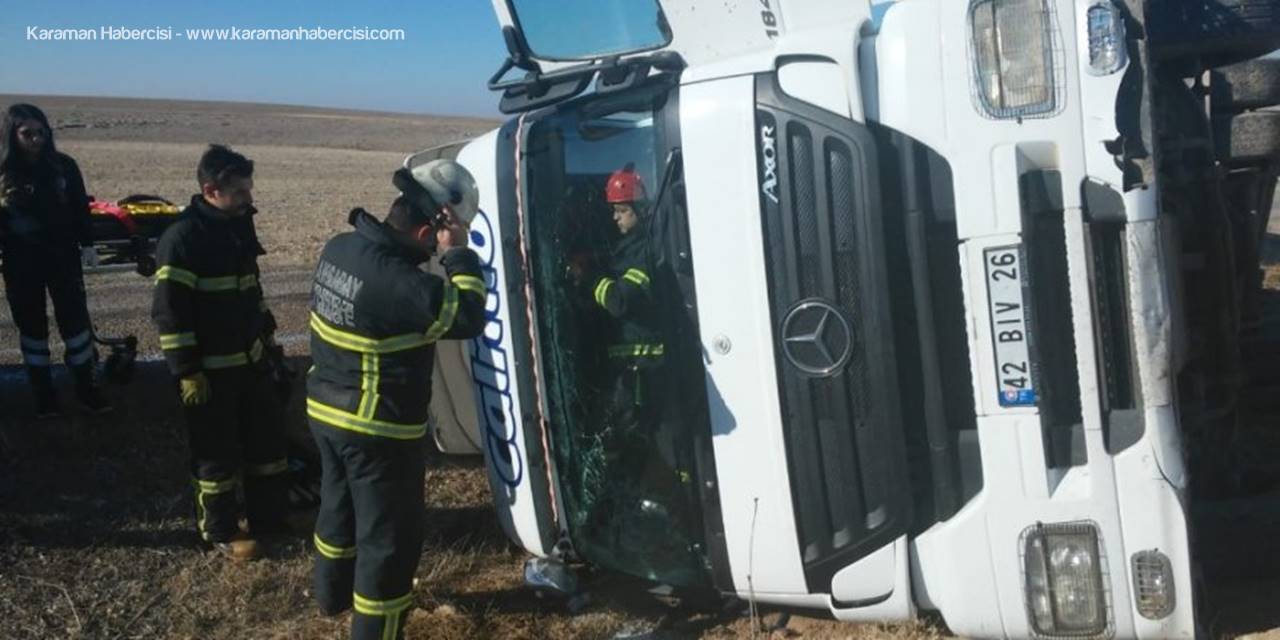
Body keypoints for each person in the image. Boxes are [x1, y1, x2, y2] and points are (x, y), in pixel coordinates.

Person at [307, 159, 485, 640]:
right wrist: (458, 254)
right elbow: (466, 315)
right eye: (439, 236)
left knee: (337, 509)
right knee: (389, 543)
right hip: (376, 431)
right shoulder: (401, 285)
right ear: (431, 230)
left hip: (325, 411)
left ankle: (330, 596)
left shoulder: (340, 248)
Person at [150, 144, 289, 561]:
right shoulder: (183, 238)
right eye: (241, 191)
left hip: (252, 363)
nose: (250, 198)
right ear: (211, 190)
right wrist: (188, 371)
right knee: (217, 456)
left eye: (249, 189)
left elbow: (251, 289)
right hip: (212, 373)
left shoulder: (237, 225)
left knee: (267, 447)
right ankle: (221, 532)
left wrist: (268, 339)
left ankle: (270, 520)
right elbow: (169, 314)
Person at [0, 103, 110, 416]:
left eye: (41, 132)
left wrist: (87, 244)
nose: (36, 139)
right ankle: (43, 394)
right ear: (12, 135)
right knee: (32, 329)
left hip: (63, 258)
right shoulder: (3, 173)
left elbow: (79, 208)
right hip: (21, 263)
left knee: (75, 326)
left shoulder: (64, 167)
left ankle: (86, 388)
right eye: (27, 134)